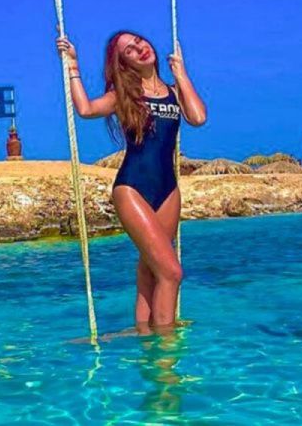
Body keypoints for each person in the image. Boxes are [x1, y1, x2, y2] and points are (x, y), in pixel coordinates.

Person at [57, 31, 207, 332]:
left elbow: (198, 117)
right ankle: (166, 348)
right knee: (171, 273)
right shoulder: (125, 95)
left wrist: (181, 73)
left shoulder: (173, 92)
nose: (139, 49)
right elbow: (86, 109)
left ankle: (144, 336)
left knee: (151, 269)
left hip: (168, 189)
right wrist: (72, 65)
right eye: (129, 51)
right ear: (124, 63)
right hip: (132, 188)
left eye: (139, 42)